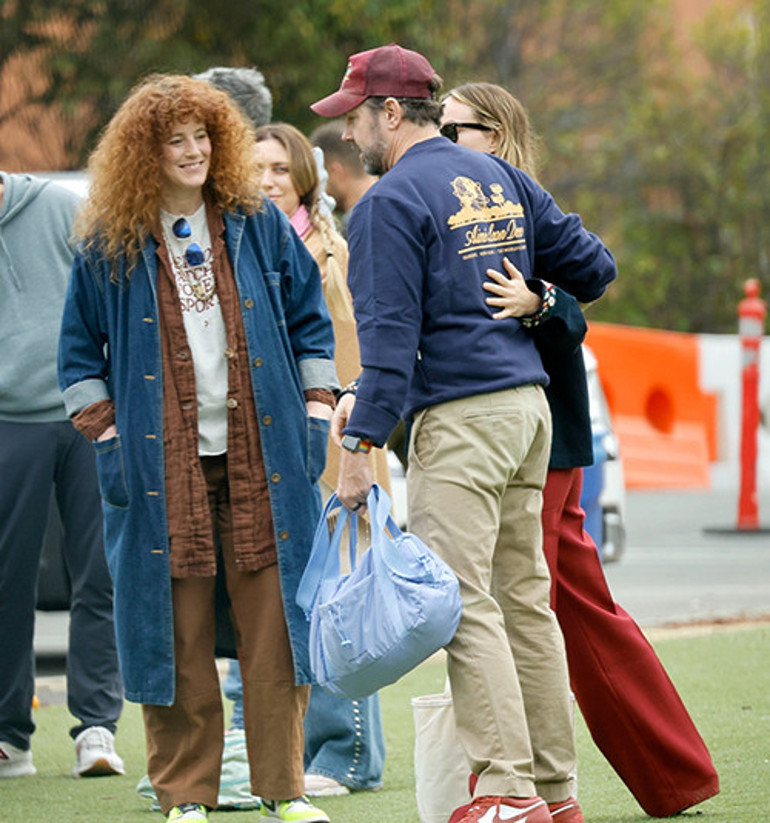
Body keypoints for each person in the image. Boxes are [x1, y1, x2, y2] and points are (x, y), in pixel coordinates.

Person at [312, 44, 617, 823]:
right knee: (525, 605)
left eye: (353, 116)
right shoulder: (500, 177)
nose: (346, 133)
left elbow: (387, 347)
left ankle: (508, 791)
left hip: (462, 420)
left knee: (466, 604)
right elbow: (595, 267)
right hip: (529, 412)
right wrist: (538, 296)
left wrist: (358, 450)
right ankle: (555, 794)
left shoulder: (385, 204)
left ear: (389, 112)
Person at [57, 74, 338, 823]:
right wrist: (111, 440)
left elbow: (311, 323)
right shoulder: (110, 239)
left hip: (265, 454)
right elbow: (78, 357)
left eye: (202, 136)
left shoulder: (256, 221)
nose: (192, 151)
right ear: (143, 152)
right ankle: (186, 794)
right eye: (174, 140)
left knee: (275, 627)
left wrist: (316, 417)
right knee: (173, 631)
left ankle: (284, 788)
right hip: (158, 466)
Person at [440, 81, 720, 818]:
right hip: (523, 436)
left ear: (494, 133)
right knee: (576, 605)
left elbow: (593, 277)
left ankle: (523, 790)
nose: (441, 139)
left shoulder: (514, 198)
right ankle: (671, 774)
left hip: (543, 438)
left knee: (519, 605)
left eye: (454, 127)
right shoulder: (452, 198)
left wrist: (541, 300)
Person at [254, 122, 388, 797]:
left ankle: (350, 753)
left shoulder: (326, 254)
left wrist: (352, 457)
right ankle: (282, 750)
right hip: (272, 458)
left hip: (332, 455)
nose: (267, 182)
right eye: (257, 169)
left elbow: (350, 363)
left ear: (306, 180)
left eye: (281, 170)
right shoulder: (248, 247)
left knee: (338, 601)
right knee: (286, 606)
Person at [0, 171, 125, 780]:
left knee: (99, 572)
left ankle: (97, 727)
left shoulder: (57, 206)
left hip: (87, 413)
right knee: (7, 581)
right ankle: (9, 736)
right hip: (7, 422)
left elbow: (113, 292)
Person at [308, 120, 377, 239]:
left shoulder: (355, 224)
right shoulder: (394, 203)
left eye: (316, 177)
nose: (314, 188)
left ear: (335, 171)